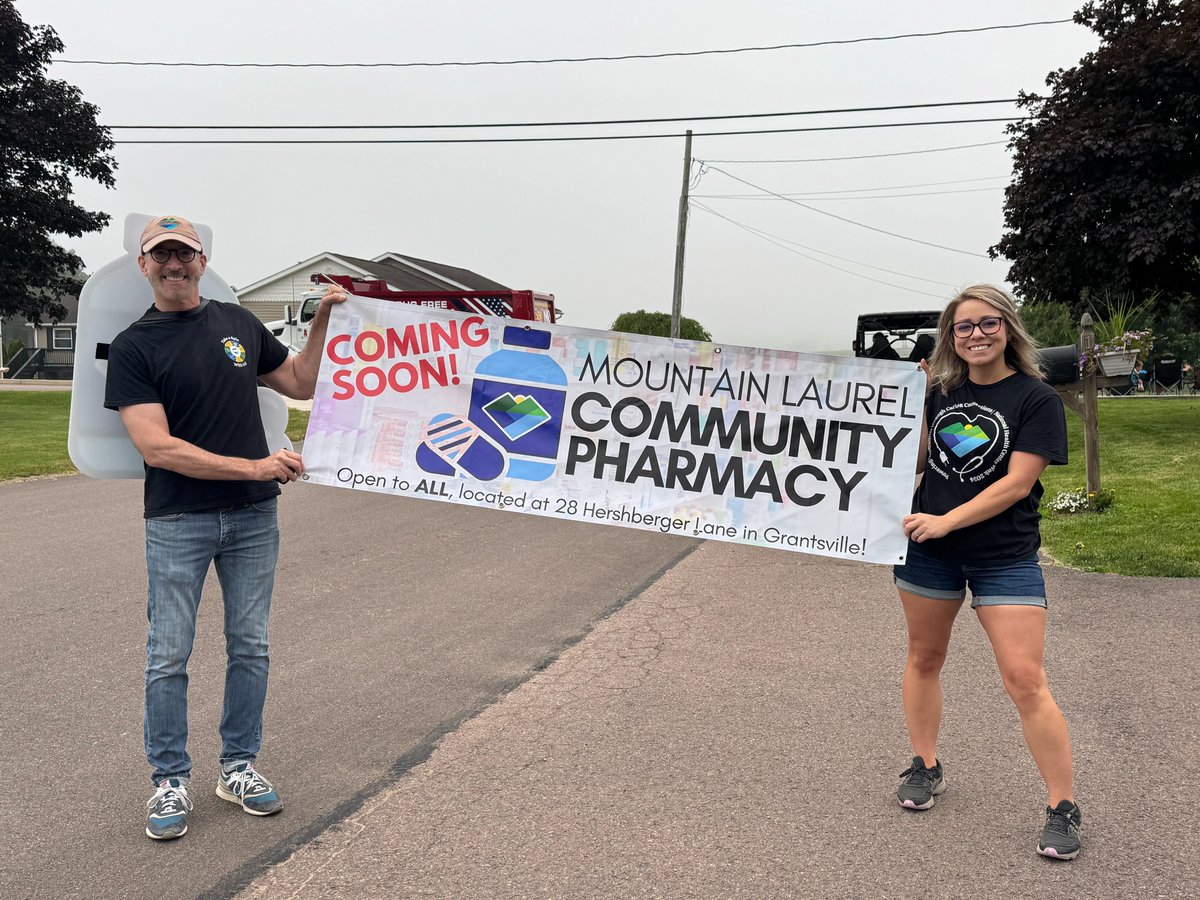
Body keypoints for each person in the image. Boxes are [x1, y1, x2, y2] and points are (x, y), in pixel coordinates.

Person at [103, 215, 346, 840]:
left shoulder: (238, 324)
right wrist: (256, 466)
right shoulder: (134, 346)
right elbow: (156, 447)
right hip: (177, 518)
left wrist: (323, 318)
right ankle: (169, 779)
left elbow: (302, 381)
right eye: (161, 255)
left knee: (251, 646)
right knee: (168, 654)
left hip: (253, 516)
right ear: (144, 265)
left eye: (184, 253)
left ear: (202, 262)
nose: (174, 265)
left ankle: (238, 767)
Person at [891, 284, 1081, 860]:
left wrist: (947, 520)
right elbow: (916, 461)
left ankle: (1063, 806)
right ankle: (925, 765)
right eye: (963, 326)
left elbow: (1018, 483)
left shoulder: (1036, 398)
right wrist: (911, 403)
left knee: (1025, 679)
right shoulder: (939, 393)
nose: (976, 334)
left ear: (1008, 329)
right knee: (924, 658)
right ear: (950, 337)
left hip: (1005, 554)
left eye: (988, 323)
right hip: (929, 553)